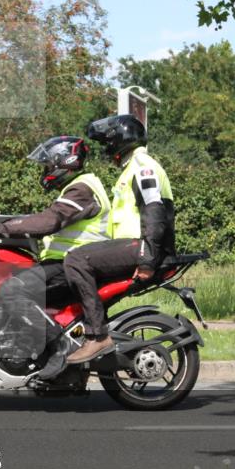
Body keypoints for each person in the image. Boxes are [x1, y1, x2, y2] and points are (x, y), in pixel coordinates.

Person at [63, 115, 175, 364]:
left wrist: (148, 258)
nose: (107, 148)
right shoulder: (131, 168)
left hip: (141, 247)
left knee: (76, 260)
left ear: (122, 139)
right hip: (132, 246)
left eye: (108, 142)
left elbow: (154, 211)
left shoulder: (143, 166)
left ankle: (97, 336)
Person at [0, 135, 111, 347]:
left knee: (12, 290)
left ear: (63, 162)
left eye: (47, 165)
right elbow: (46, 217)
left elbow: (49, 221)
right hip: (68, 262)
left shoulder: (82, 189)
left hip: (73, 264)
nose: (45, 171)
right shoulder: (76, 187)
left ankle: (57, 348)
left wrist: (2, 229)